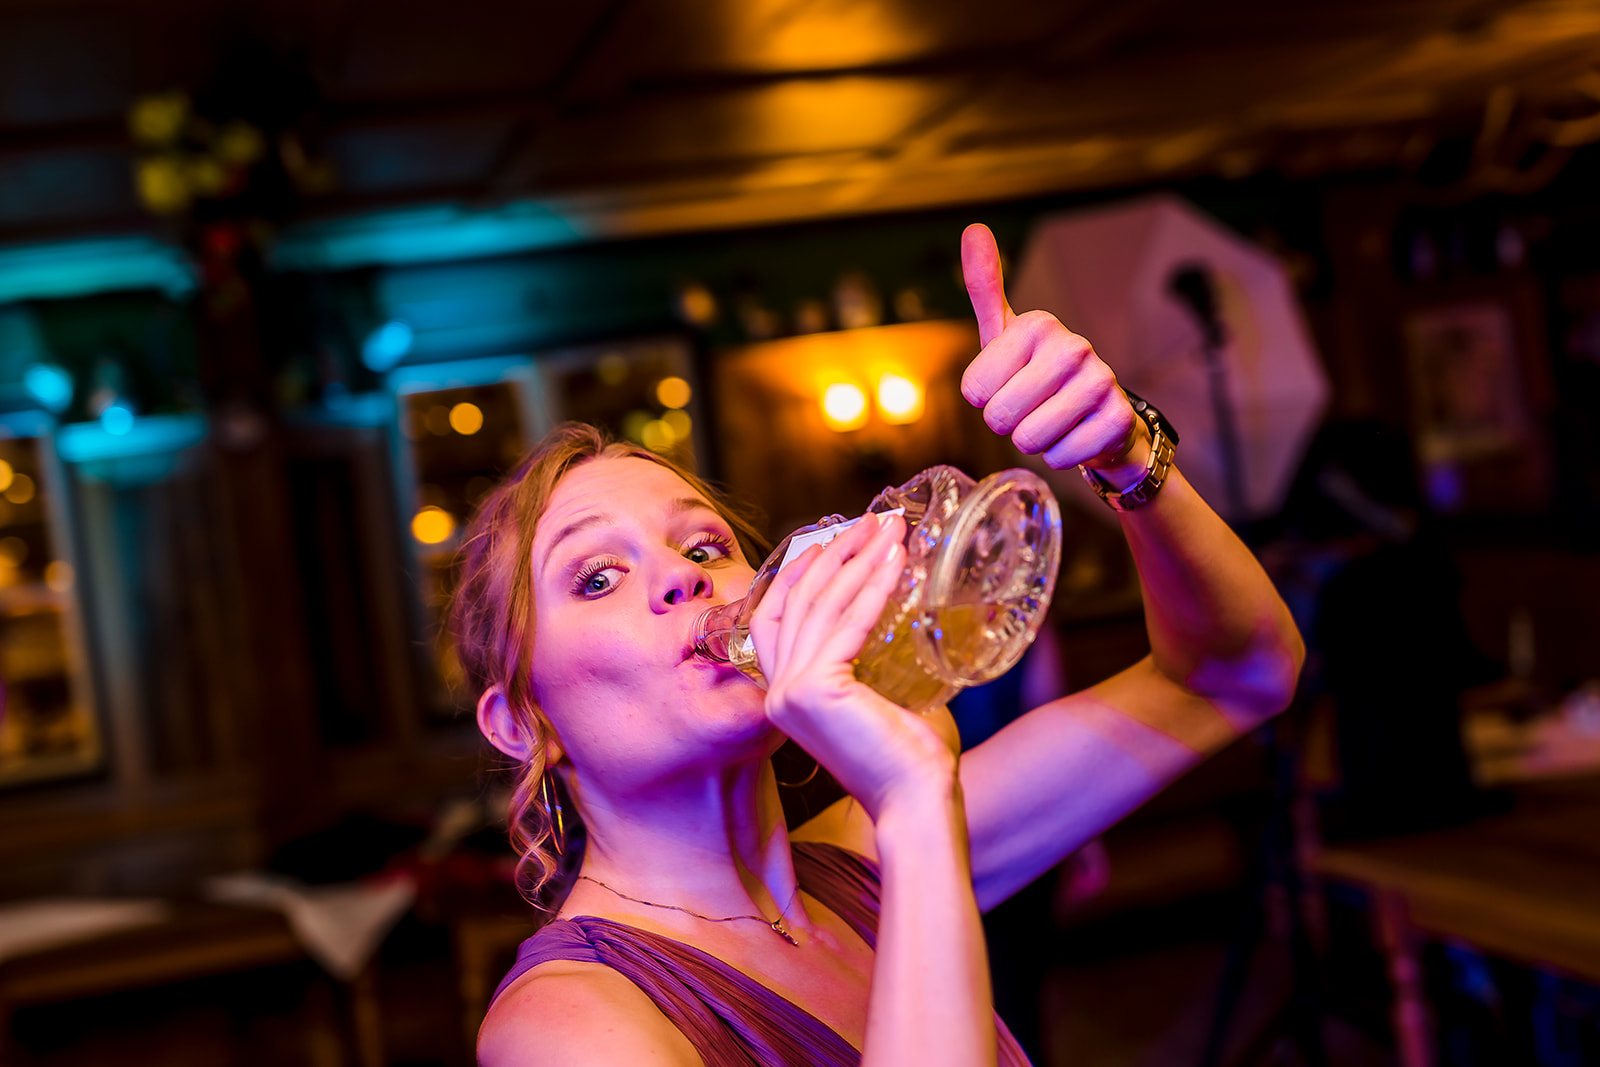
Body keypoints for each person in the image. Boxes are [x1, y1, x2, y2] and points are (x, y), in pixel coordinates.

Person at [455, 224, 1305, 1067]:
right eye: (596, 577)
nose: (683, 576)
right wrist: (912, 798)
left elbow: (1236, 676)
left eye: (706, 547)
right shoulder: (563, 1024)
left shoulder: (862, 861)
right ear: (521, 722)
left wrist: (1127, 456)